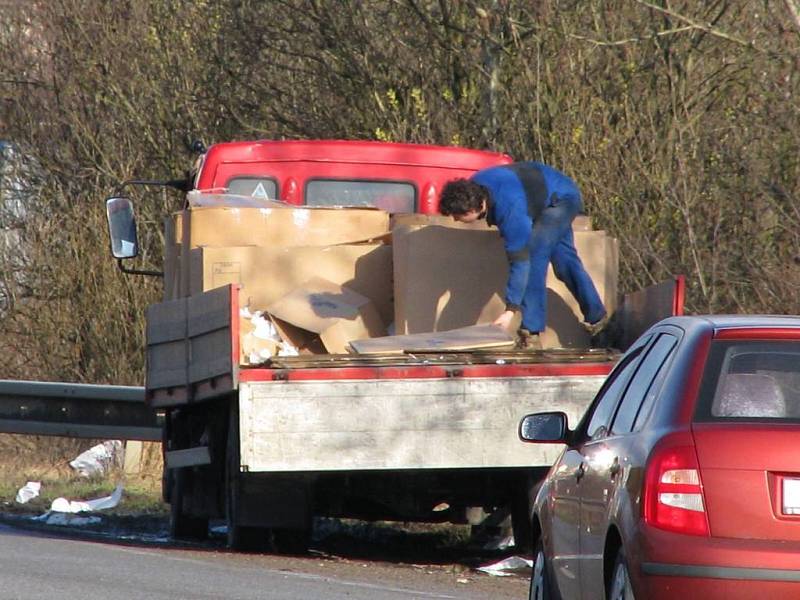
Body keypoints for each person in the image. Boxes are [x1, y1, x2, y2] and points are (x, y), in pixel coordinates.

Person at [439, 161, 608, 350]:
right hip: (541, 196)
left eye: (456, 215)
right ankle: (599, 319)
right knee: (565, 262)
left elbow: (521, 261)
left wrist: (510, 310)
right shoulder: (474, 188)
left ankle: (531, 333)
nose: (454, 219)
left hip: (561, 199)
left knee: (534, 254)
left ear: (471, 210)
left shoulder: (510, 210)